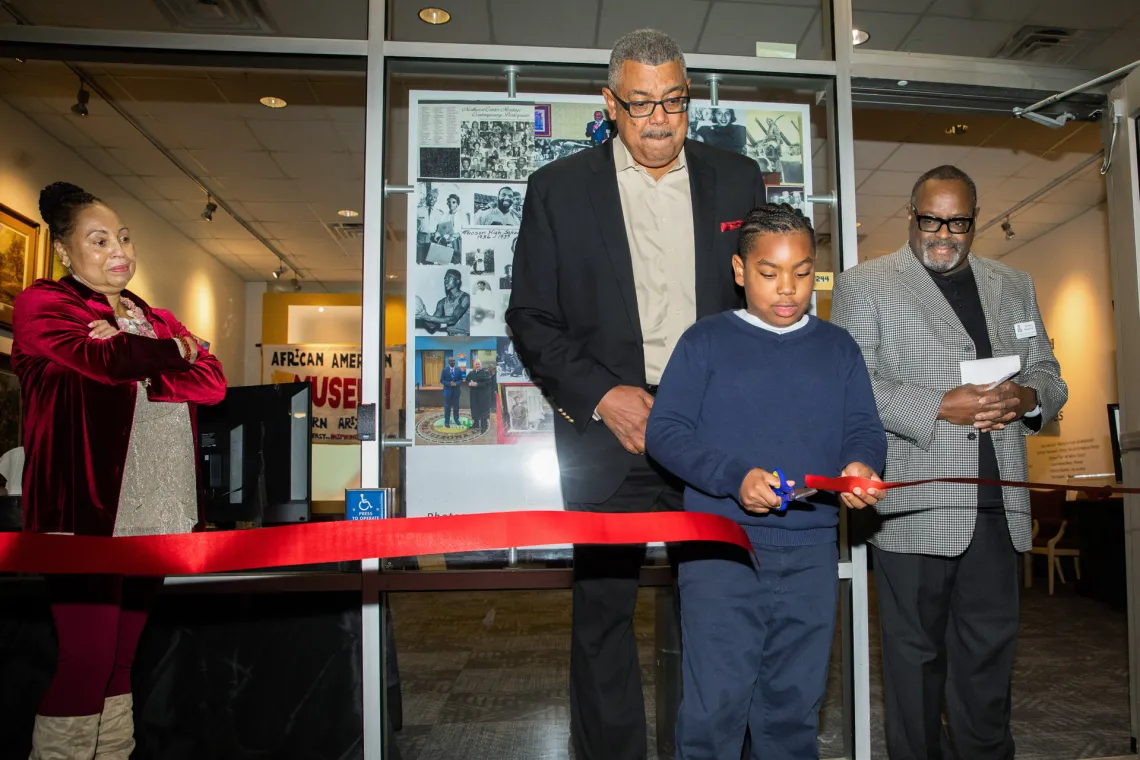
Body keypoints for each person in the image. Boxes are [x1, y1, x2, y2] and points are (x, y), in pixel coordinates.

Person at [505, 28, 767, 760]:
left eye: (674, 101)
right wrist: (604, 396)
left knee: (713, 612)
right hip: (604, 433)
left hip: (708, 434)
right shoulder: (558, 189)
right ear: (610, 103)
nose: (659, 119)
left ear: (691, 98)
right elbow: (531, 315)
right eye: (641, 102)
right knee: (601, 616)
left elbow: (758, 309)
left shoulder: (737, 180)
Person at [831, 165, 1068, 760]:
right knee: (914, 668)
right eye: (931, 220)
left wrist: (1025, 398)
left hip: (999, 506)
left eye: (957, 222)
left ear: (974, 220)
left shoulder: (1013, 283)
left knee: (988, 666)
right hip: (916, 506)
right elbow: (855, 385)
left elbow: (1050, 377)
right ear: (912, 215)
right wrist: (941, 406)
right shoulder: (868, 283)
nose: (944, 233)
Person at [645, 204, 886, 759]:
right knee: (715, 712)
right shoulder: (704, 342)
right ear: (739, 270)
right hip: (721, 552)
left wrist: (860, 465)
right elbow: (667, 433)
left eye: (802, 273)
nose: (788, 289)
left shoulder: (838, 348)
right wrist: (734, 477)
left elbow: (863, 428)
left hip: (810, 553)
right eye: (769, 272)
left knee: (792, 713)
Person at [13, 181, 226, 759]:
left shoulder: (149, 314)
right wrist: (175, 350)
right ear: (64, 251)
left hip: (155, 504)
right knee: (85, 658)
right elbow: (104, 361)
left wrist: (149, 355)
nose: (118, 250)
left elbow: (212, 381)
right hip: (87, 508)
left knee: (122, 657)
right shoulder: (44, 304)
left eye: (124, 237)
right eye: (99, 239)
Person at [438, 356, 466, 429]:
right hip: (447, 392)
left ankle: (456, 419)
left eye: (453, 361)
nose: (452, 362)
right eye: (451, 361)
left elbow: (461, 380)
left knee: (456, 407)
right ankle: (447, 421)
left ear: (455, 362)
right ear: (448, 362)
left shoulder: (458, 370)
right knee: (447, 407)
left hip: (456, 392)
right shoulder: (444, 370)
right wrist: (449, 383)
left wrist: (456, 383)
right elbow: (442, 380)